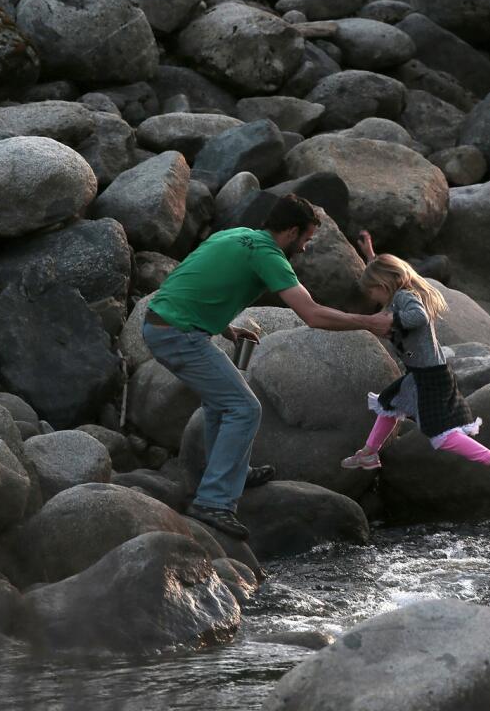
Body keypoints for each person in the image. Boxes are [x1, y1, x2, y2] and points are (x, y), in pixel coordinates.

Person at [141, 195, 393, 540]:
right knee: (243, 407)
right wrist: (369, 322)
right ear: (290, 232)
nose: (304, 248)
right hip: (177, 335)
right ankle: (214, 502)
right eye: (305, 239)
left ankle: (233, 473)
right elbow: (312, 314)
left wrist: (226, 328)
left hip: (162, 324)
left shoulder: (234, 236)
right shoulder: (269, 255)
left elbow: (198, 284)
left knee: (220, 403)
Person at [340, 232, 490, 493]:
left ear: (385, 284)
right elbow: (388, 274)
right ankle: (368, 452)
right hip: (420, 373)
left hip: (431, 377)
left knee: (441, 436)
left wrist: (392, 322)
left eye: (373, 291)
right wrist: (370, 256)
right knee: (388, 404)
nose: (373, 298)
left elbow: (419, 316)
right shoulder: (398, 291)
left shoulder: (403, 297)